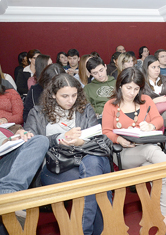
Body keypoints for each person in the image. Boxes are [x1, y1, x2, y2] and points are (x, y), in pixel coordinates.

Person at [102, 67, 166, 234]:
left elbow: (158, 119)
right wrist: (119, 139)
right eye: (128, 87)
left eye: (136, 88)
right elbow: (106, 131)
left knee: (160, 175)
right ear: (120, 85)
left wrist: (151, 125)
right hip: (124, 153)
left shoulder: (145, 100)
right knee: (151, 151)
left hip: (148, 152)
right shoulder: (111, 105)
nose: (132, 92)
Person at [25, 73, 112, 235]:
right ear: (52, 94)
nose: (70, 100)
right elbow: (33, 143)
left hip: (86, 158)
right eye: (64, 96)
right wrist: (59, 138)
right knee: (95, 182)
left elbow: (98, 138)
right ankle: (106, 229)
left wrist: (81, 142)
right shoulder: (37, 113)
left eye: (74, 95)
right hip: (56, 167)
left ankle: (83, 231)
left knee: (92, 166)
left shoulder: (84, 109)